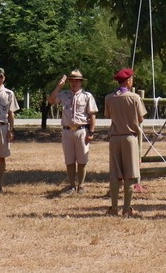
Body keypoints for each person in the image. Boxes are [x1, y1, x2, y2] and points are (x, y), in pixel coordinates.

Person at [104, 67, 147, 217]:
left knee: (115, 174)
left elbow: (108, 115)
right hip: (130, 138)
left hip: (114, 138)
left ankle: (114, 208)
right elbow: (141, 118)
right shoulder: (135, 98)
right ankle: (127, 208)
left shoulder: (109, 98)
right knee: (130, 174)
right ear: (128, 81)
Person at [48, 69, 98, 193]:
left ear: (81, 82)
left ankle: (81, 185)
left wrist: (91, 132)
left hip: (82, 130)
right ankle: (71, 185)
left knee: (82, 160)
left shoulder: (87, 96)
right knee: (69, 160)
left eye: (77, 81)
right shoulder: (64, 95)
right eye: (72, 81)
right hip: (67, 131)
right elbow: (51, 100)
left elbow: (92, 115)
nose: (74, 83)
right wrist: (58, 87)